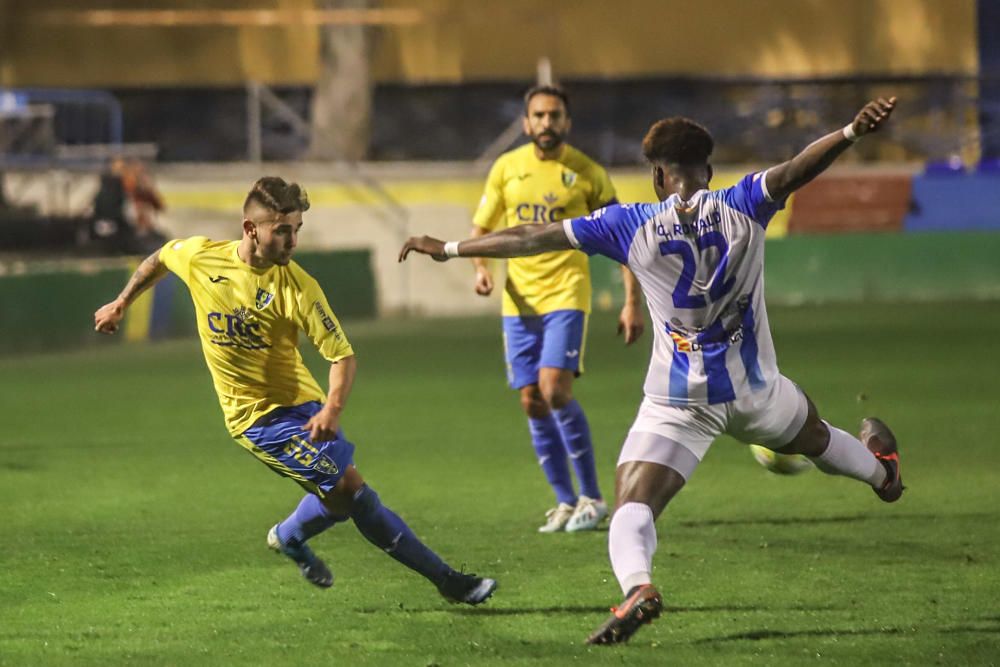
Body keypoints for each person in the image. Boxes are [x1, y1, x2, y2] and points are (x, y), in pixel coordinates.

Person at [400, 97, 902, 643]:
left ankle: (638, 587)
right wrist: (852, 130)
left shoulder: (628, 224)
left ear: (658, 175)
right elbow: (797, 168)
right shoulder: (744, 204)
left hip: (679, 398)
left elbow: (530, 237)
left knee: (632, 504)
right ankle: (885, 476)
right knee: (817, 436)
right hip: (758, 390)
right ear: (706, 170)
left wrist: (448, 247)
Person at [94, 176, 496, 605]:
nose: (293, 241)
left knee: (342, 501)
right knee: (355, 494)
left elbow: (342, 356)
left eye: (297, 230)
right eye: (282, 231)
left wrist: (332, 411)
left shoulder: (298, 286)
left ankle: (288, 536)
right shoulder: (202, 257)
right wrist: (122, 301)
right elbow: (160, 256)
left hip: (307, 408)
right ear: (251, 229)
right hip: (256, 419)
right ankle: (449, 582)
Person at [471, 84, 645, 533]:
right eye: (539, 116)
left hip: (567, 292)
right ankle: (566, 502)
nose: (546, 123)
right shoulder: (507, 169)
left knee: (554, 390)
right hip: (518, 300)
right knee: (531, 400)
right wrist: (481, 268)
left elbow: (624, 238)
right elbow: (483, 227)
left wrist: (631, 302)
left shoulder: (587, 172)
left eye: (554, 116)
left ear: (566, 122)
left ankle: (593, 497)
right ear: (526, 122)